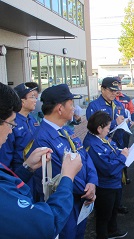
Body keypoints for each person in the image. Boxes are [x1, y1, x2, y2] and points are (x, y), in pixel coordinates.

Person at [0, 82, 83, 238]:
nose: (11, 130)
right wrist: (67, 178)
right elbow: (46, 224)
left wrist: (26, 168)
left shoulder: (38, 123)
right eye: (10, 123)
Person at [28, 84, 98, 239]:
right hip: (64, 204)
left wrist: (92, 182)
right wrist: (87, 191)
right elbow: (62, 176)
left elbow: (85, 157)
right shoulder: (42, 139)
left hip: (80, 200)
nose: (74, 109)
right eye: (71, 105)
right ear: (60, 109)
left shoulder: (66, 131)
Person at [83, 111, 129, 239]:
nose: (109, 131)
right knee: (104, 216)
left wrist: (121, 153)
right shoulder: (92, 145)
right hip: (105, 185)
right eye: (108, 128)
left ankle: (112, 230)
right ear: (99, 128)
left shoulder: (100, 138)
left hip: (113, 183)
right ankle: (103, 235)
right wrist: (123, 157)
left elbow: (112, 150)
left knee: (113, 210)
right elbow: (108, 168)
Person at [0, 82, 40, 170]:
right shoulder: (9, 123)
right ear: (22, 101)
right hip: (19, 173)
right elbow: (5, 158)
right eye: (32, 97)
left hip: (33, 171)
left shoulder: (32, 119)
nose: (35, 100)